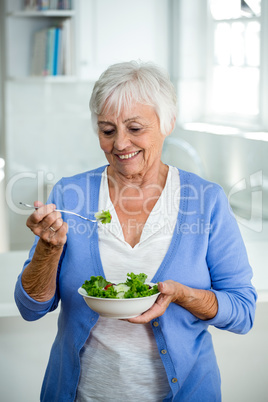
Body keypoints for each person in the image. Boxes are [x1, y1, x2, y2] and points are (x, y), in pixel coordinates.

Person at [15, 60, 257, 402]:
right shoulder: (70, 195)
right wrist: (48, 250)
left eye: (135, 128)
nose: (120, 144)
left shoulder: (206, 201)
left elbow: (243, 311)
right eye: (107, 130)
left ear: (167, 122)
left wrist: (185, 296)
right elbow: (30, 308)